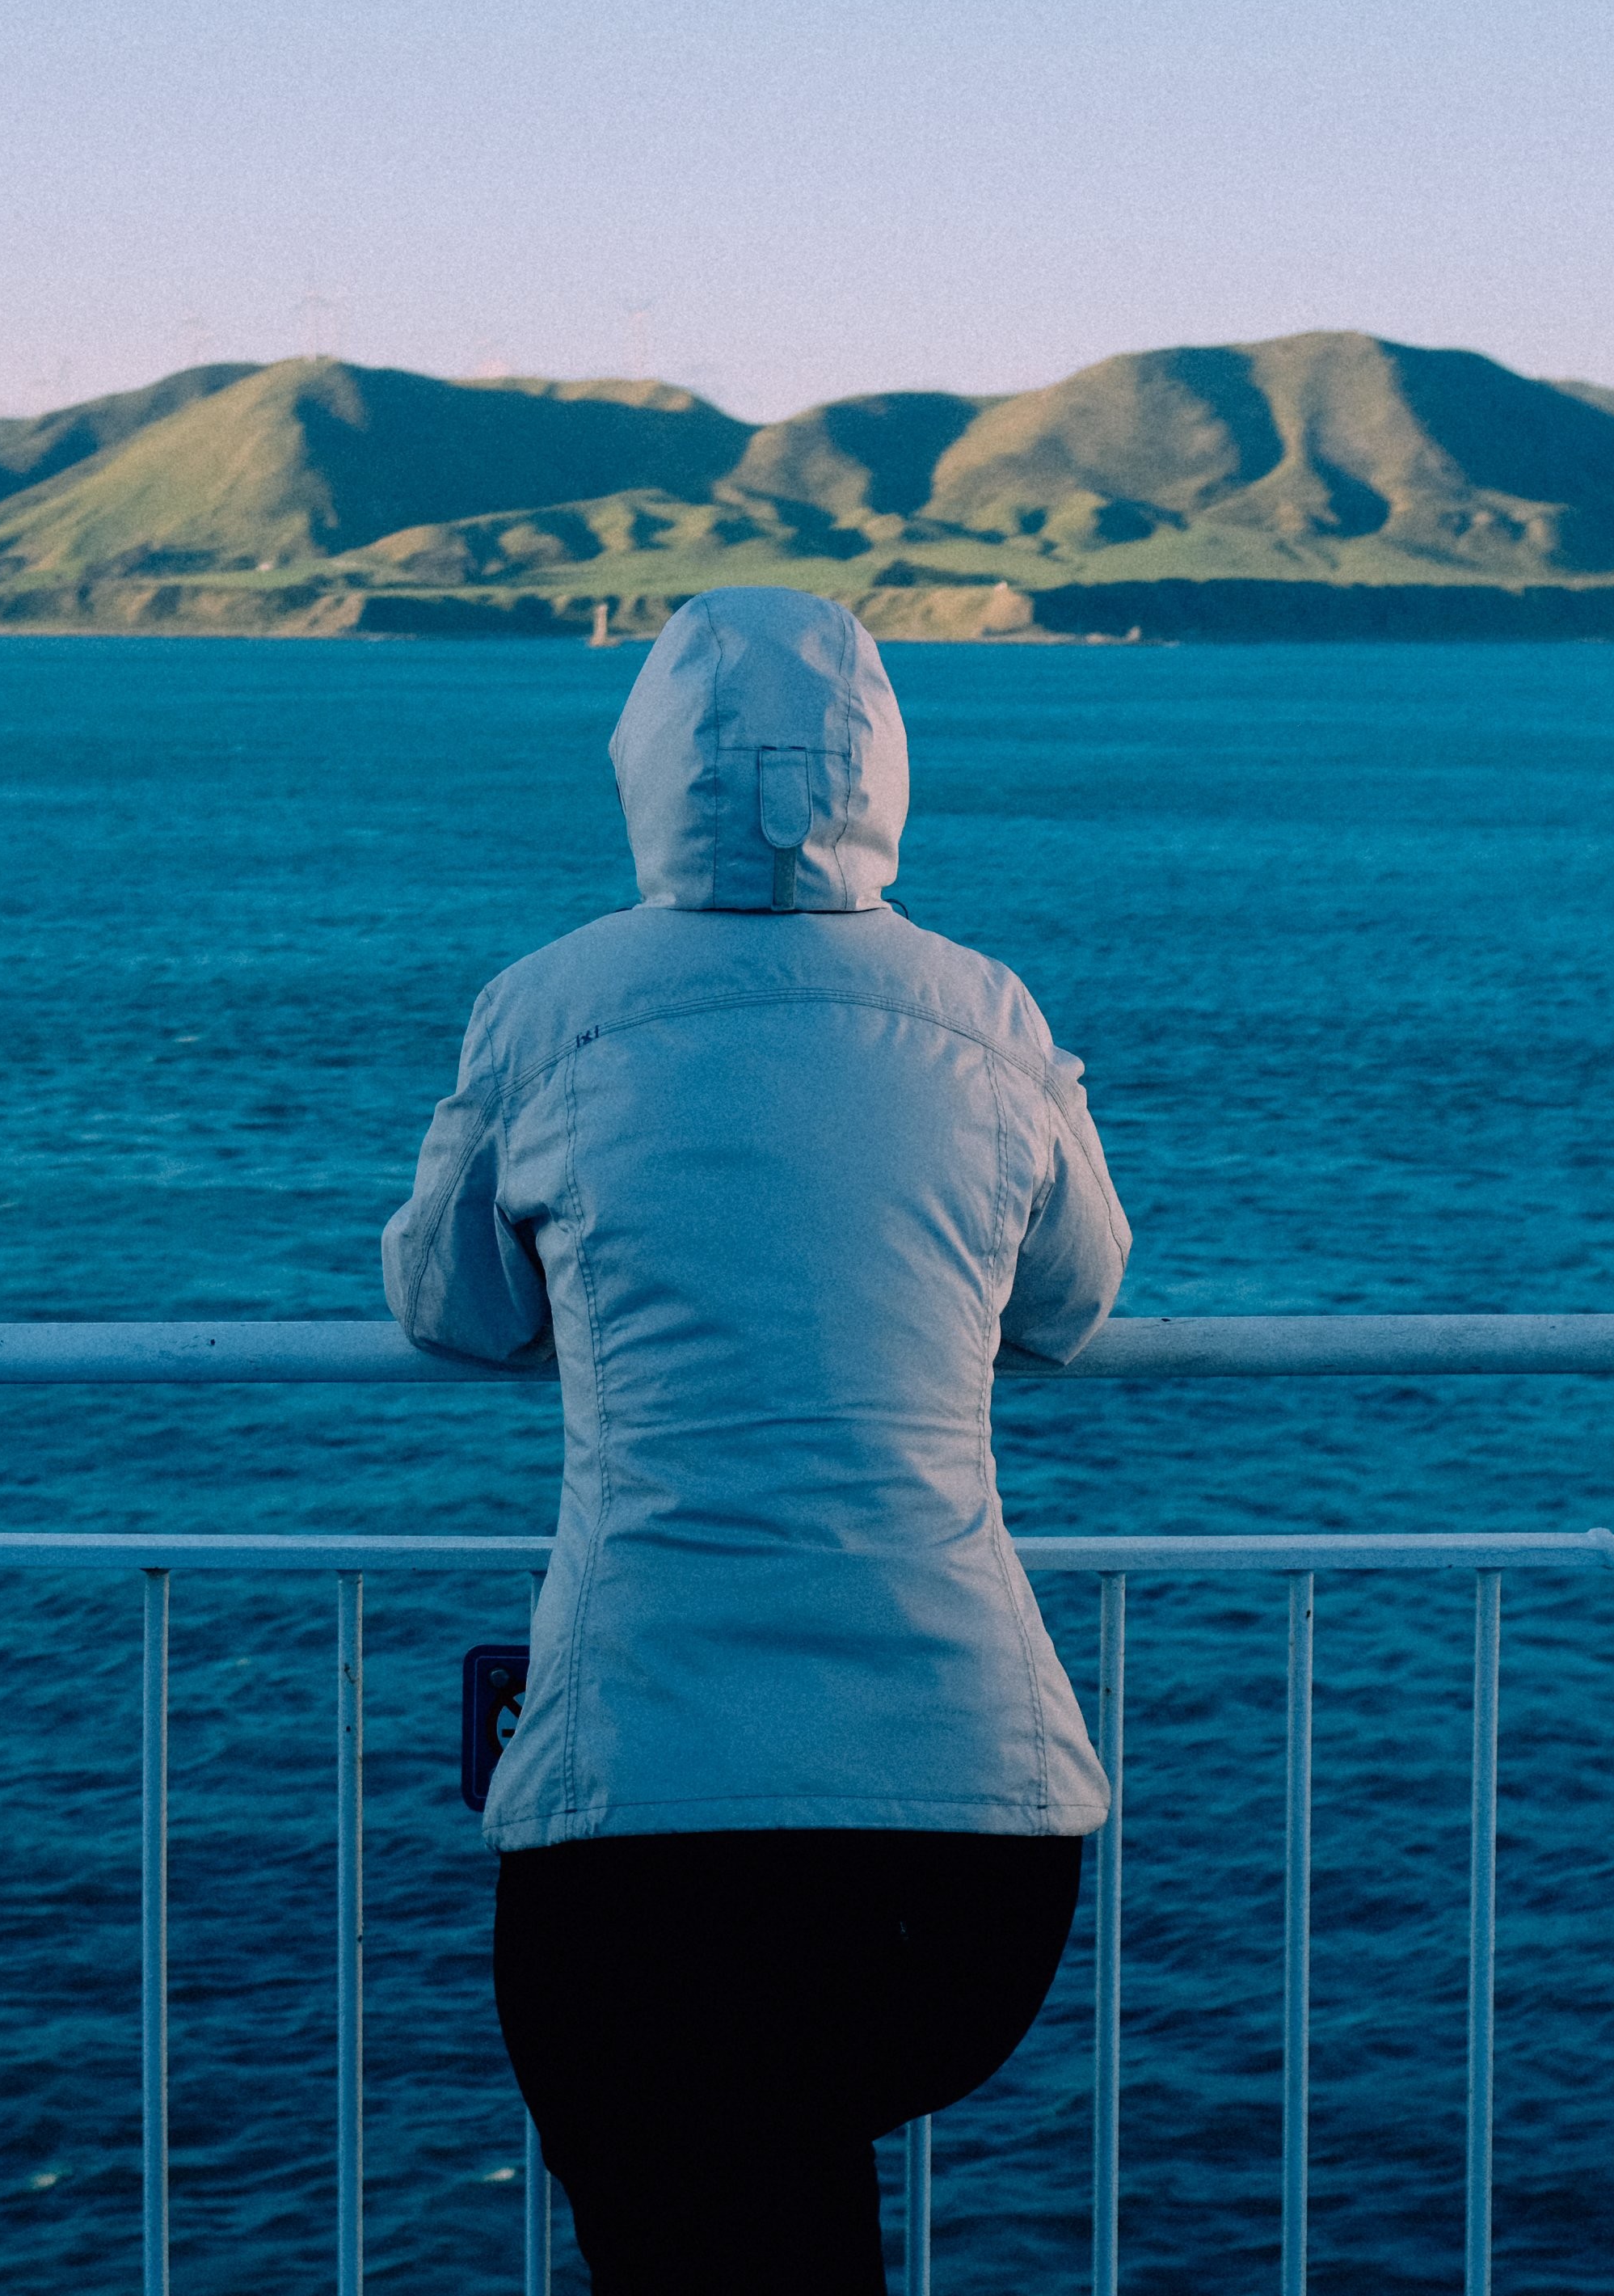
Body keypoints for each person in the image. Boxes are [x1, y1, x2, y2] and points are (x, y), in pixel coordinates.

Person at [381, 585, 1131, 2294]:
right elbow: (1078, 1297)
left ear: (644, 766)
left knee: (699, 2204)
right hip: (964, 1840)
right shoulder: (987, 1010)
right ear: (884, 773)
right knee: (788, 2178)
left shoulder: (550, 1006)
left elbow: (458, 1305)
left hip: (645, 1809)